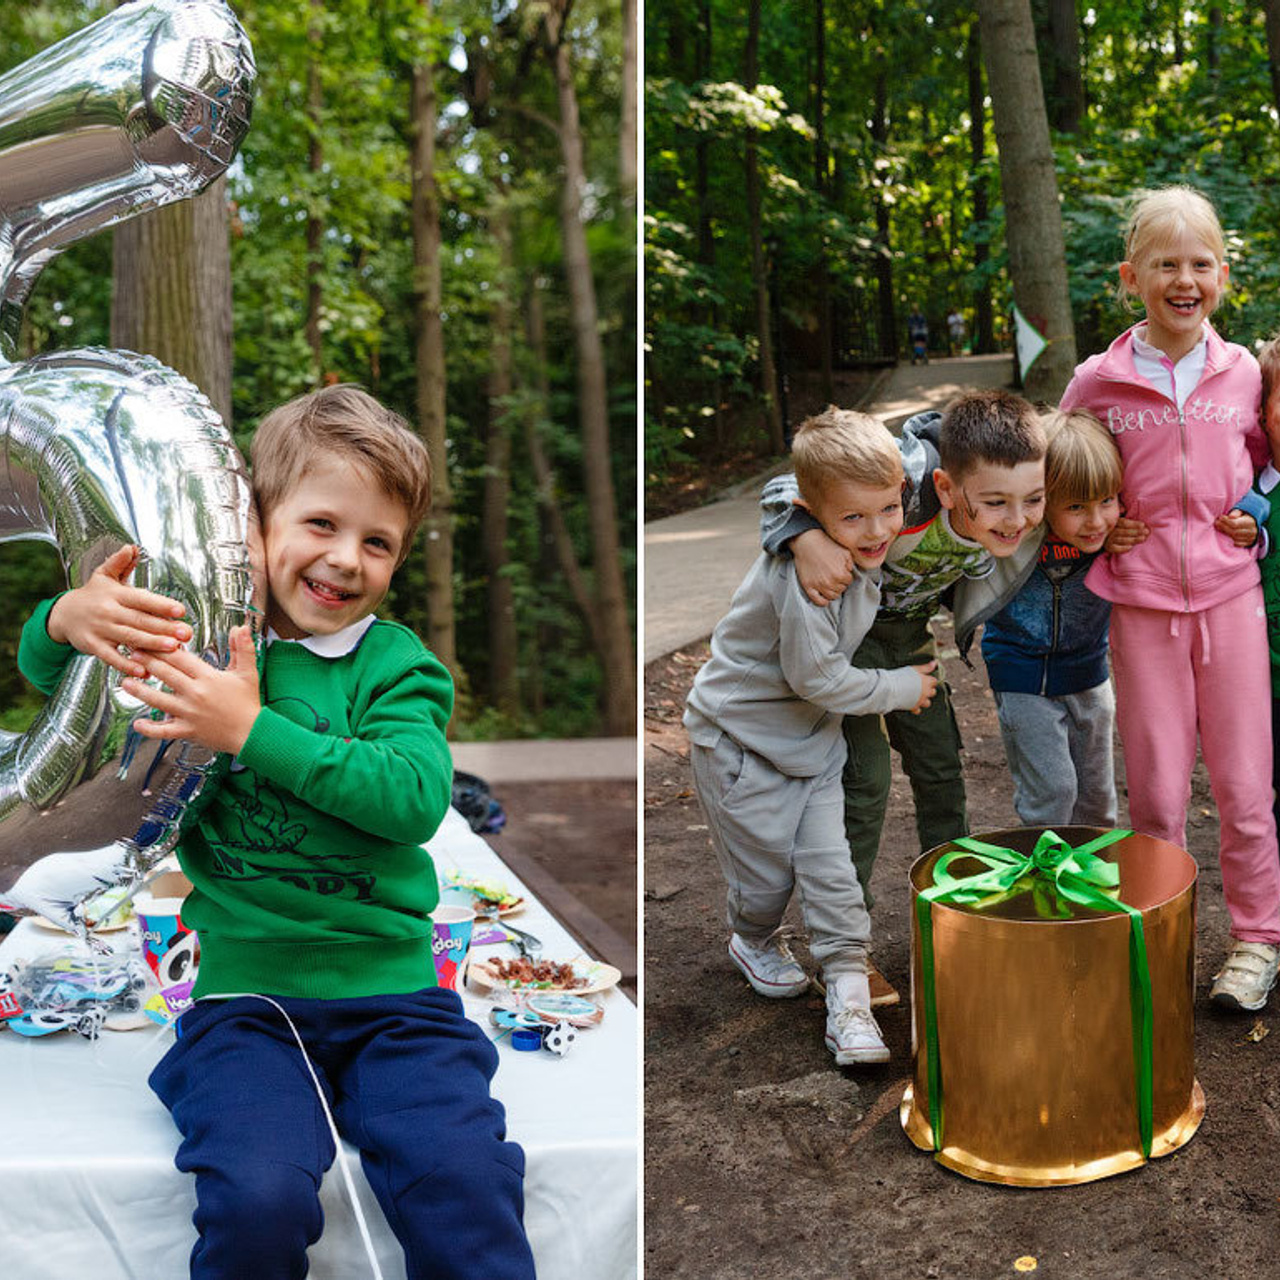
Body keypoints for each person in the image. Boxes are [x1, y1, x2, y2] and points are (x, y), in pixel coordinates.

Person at [18, 385, 536, 1277]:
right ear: (255, 524)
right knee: (256, 1195)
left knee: (463, 1181)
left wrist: (249, 730)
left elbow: (413, 796)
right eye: (322, 523)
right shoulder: (201, 646)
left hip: (397, 1001)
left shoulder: (395, 665)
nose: (346, 558)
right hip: (244, 1005)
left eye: (378, 542)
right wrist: (67, 617)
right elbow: (54, 672)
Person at [1060, 185, 1280, 1013]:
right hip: (1143, 607)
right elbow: (1063, 467)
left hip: (1231, 602)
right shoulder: (1098, 380)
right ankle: (1160, 938)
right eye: (1165, 265)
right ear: (1132, 278)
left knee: (1245, 788)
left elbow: (1270, 459)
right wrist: (1096, 525)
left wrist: (1256, 511)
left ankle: (1257, 941)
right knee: (1154, 792)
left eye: (1200, 265)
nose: (1184, 281)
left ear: (1222, 275)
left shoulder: (1243, 372)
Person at [761, 390, 1047, 1002]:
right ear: (947, 489)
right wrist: (804, 537)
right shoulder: (909, 482)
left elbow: (1093, 478)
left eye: (1032, 501)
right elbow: (790, 486)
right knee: (863, 783)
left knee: (941, 770)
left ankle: (955, 912)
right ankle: (844, 946)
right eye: (996, 503)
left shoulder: (1026, 495)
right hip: (849, 647)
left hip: (911, 642)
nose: (1016, 519)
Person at [684, 408, 938, 1065]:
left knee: (832, 874)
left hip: (814, 745)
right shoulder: (810, 577)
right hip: (739, 743)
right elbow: (817, 678)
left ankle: (849, 1006)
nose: (877, 530)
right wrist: (900, 688)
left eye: (888, 509)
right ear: (809, 513)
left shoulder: (864, 534)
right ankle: (752, 938)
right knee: (766, 882)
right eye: (853, 517)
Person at [969, 409, 1124, 827]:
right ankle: (1043, 868)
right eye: (1076, 506)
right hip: (1021, 676)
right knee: (1053, 793)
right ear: (1041, 499)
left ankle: (1091, 868)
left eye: (1107, 501)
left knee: (1097, 799)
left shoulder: (1115, 533)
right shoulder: (1011, 537)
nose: (1095, 521)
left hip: (1089, 674)